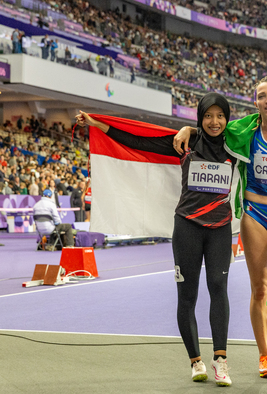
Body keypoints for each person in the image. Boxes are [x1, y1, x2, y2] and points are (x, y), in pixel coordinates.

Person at [75, 93, 234, 386]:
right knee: (187, 295)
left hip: (220, 228)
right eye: (208, 116)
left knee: (218, 287)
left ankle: (220, 361)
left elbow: (262, 125)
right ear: (200, 117)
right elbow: (139, 141)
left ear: (227, 118)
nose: (214, 122)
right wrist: (98, 124)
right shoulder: (185, 144)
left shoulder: (235, 145)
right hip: (187, 227)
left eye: (220, 116)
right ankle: (196, 361)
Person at [173, 77, 267, 379]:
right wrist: (188, 128)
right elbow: (213, 130)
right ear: (256, 103)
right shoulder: (244, 130)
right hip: (255, 213)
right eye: (261, 96)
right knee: (259, 289)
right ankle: (265, 355)